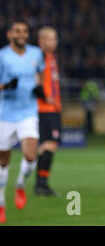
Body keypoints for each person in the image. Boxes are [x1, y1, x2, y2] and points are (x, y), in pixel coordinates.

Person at [0, 20, 46, 223]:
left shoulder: (36, 53)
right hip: (6, 114)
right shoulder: (2, 56)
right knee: (3, 162)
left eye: (25, 31)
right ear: (10, 34)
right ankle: (1, 203)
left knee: (30, 155)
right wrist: (6, 86)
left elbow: (39, 76)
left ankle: (20, 184)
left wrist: (39, 89)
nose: (22, 34)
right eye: (17, 31)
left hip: (28, 112)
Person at [35, 26, 62, 196]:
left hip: (53, 108)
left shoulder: (51, 57)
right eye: (51, 38)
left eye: (55, 38)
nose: (55, 42)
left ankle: (41, 183)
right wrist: (46, 98)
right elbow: (35, 81)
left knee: (49, 145)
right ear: (42, 41)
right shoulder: (39, 57)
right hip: (45, 109)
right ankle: (41, 184)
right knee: (48, 144)